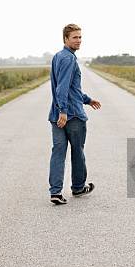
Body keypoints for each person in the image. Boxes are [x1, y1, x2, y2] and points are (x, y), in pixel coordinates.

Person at [48, 23, 101, 205]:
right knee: (77, 152)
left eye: (80, 37)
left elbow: (70, 88)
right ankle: (78, 187)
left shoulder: (57, 57)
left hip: (56, 114)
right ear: (65, 39)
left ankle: (55, 192)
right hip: (71, 115)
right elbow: (62, 87)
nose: (79, 41)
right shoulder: (69, 59)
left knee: (58, 152)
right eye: (75, 37)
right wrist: (64, 111)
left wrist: (87, 99)